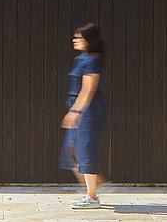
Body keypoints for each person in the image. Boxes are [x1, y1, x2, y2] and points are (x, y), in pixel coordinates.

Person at [60, 22, 107, 209]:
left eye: (79, 38)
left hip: (90, 110)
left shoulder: (93, 60)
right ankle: (96, 182)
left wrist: (76, 112)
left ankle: (92, 197)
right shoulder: (82, 58)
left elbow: (88, 89)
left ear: (88, 40)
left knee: (85, 150)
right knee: (70, 149)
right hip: (79, 107)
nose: (75, 40)